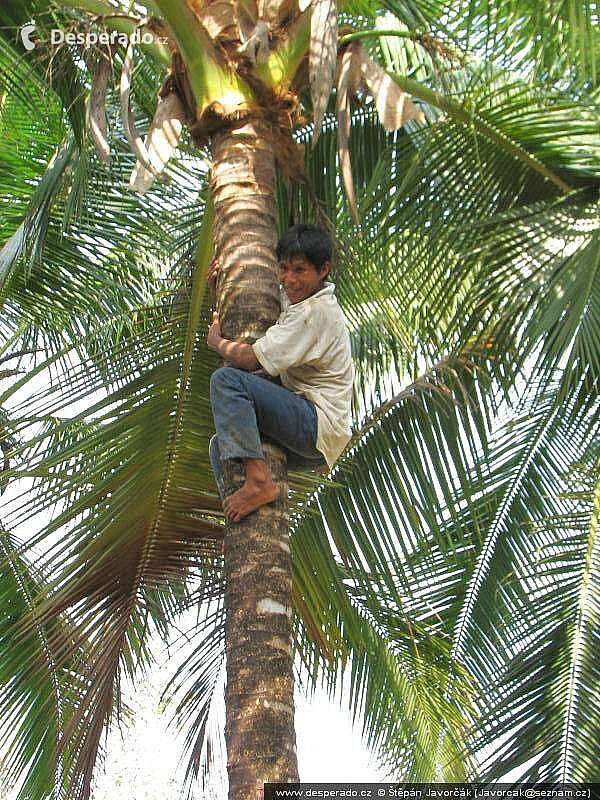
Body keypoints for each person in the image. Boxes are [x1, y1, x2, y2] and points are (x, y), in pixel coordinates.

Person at [207, 224, 354, 522]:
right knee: (220, 445)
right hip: (314, 438)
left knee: (226, 381)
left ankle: (259, 481)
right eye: (284, 268)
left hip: (315, 424)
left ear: (323, 269)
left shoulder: (315, 313)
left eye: (300, 270)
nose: (289, 279)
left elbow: (250, 359)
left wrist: (216, 342)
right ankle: (239, 524)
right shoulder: (300, 300)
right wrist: (220, 288)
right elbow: (276, 299)